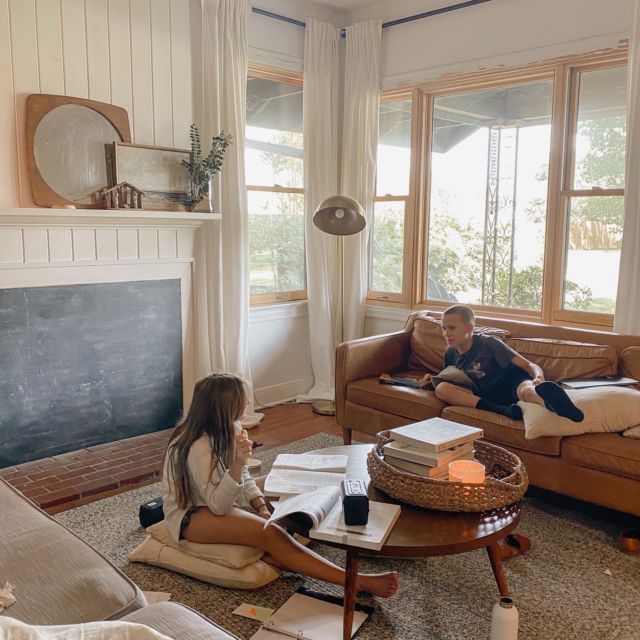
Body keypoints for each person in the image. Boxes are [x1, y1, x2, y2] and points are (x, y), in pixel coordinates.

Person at [162, 373, 399, 598]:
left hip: (218, 496)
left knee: (289, 479)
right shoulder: (198, 447)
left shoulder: (230, 427)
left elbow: (243, 476)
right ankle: (356, 581)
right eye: (242, 403)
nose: (246, 407)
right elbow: (218, 506)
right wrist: (236, 463)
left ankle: (276, 552)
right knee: (272, 533)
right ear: (225, 409)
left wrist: (259, 504)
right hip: (192, 513)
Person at [419, 305, 584, 422]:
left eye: (452, 328)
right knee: (442, 389)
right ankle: (503, 411)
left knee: (527, 391)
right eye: (443, 328)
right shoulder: (450, 352)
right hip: (485, 394)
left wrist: (539, 377)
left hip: (512, 383)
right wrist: (433, 380)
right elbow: (452, 378)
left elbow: (529, 366)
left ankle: (554, 405)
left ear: (469, 328)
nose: (446, 333)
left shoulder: (489, 343)